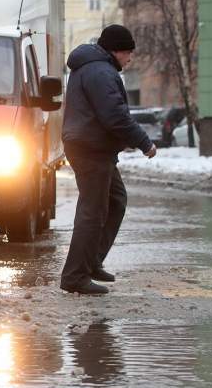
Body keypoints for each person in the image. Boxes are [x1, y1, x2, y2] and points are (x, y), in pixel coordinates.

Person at [59, 24, 156, 295]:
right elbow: (114, 115)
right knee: (92, 211)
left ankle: (91, 262)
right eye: (128, 52)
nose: (130, 58)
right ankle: (75, 276)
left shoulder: (93, 67)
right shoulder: (101, 71)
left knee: (115, 200)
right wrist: (143, 142)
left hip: (91, 146)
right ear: (117, 50)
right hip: (90, 147)